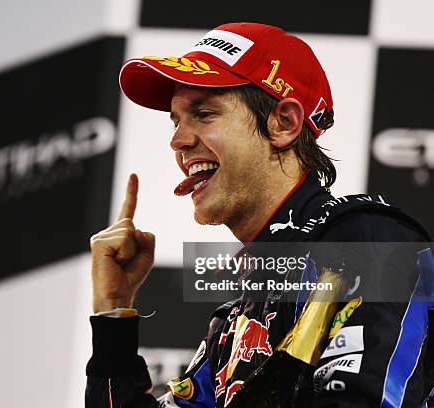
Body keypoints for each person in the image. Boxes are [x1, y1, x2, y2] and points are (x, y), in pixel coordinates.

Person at [85, 22, 433, 407]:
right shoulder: (241, 312)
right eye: (176, 120)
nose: (177, 141)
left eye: (203, 113)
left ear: (283, 123)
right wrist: (112, 308)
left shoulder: (368, 243)